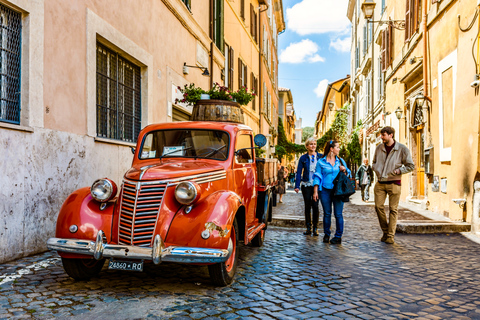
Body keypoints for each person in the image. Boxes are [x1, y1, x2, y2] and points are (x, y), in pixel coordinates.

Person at [372, 126, 415, 244]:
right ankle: (385, 231)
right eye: (381, 135)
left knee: (393, 210)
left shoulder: (402, 149)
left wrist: (399, 171)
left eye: (383, 135)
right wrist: (376, 170)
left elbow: (411, 165)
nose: (381, 137)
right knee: (378, 207)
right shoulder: (378, 148)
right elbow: (374, 162)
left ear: (391, 135)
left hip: (394, 183)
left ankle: (390, 236)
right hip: (380, 183)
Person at [313, 140, 351, 244]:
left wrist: (344, 170)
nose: (339, 149)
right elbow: (317, 177)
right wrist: (315, 191)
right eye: (337, 147)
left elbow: (349, 173)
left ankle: (338, 236)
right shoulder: (321, 162)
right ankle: (326, 234)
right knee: (327, 213)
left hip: (338, 191)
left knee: (338, 214)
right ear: (331, 148)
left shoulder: (340, 161)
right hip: (325, 191)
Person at [295, 137, 322, 236]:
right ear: (307, 146)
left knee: (315, 206)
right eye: (311, 144)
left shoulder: (320, 157)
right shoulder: (303, 158)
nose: (313, 146)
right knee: (307, 206)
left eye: (314, 144)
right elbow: (299, 172)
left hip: (317, 185)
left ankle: (315, 228)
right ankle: (308, 227)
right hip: (306, 184)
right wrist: (297, 185)